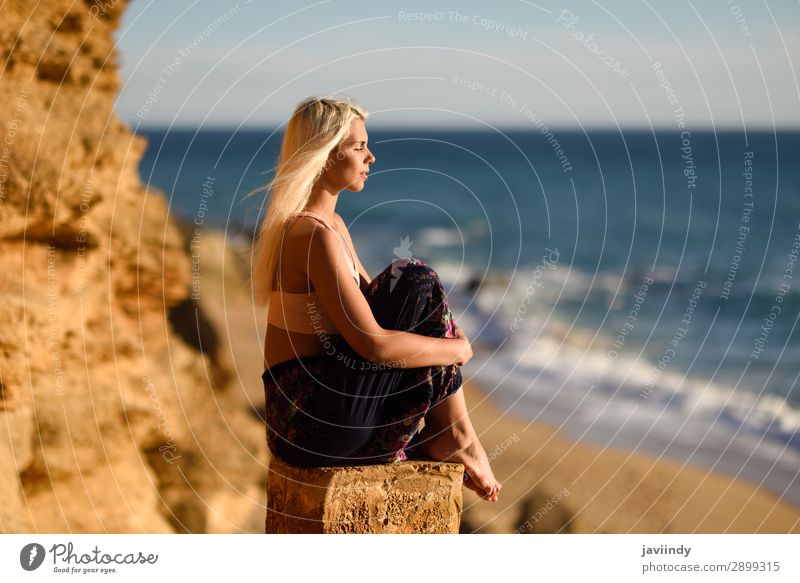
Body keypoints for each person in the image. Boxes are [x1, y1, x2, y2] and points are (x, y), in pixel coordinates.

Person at [250, 96, 501, 502]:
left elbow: (378, 313)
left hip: (320, 414)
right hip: (309, 421)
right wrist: (457, 349)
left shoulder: (331, 226)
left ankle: (453, 435)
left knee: (417, 284)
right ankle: (455, 435)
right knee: (416, 277)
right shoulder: (310, 235)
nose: (372, 156)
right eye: (358, 146)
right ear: (325, 155)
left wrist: (439, 334)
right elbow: (373, 344)